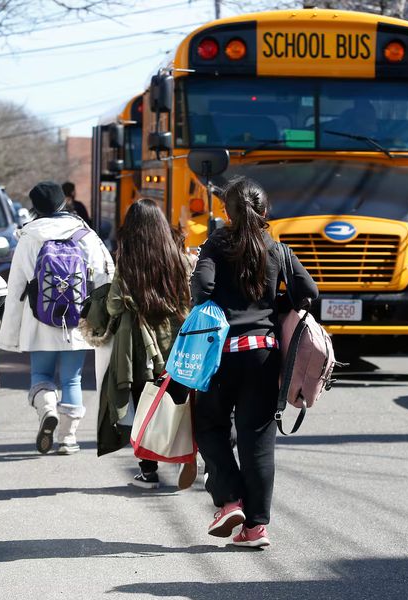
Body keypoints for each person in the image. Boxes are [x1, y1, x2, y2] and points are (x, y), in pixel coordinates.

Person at [191, 177, 318, 548]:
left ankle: (230, 500)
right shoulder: (278, 249)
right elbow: (308, 292)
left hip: (219, 356)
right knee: (258, 441)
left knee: (209, 427)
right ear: (265, 211)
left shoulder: (215, 244)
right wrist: (272, 307)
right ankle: (257, 528)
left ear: (225, 212)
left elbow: (202, 290)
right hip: (263, 354)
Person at [90, 199, 197, 489]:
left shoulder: (128, 263)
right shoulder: (177, 257)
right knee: (178, 401)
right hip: (176, 343)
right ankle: (183, 457)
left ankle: (149, 471)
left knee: (146, 405)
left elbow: (113, 307)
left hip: (137, 348)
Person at [0, 181, 114, 455]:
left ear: (35, 207)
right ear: (64, 203)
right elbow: (105, 275)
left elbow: (16, 286)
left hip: (38, 319)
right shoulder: (84, 235)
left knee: (41, 374)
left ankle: (47, 409)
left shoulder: (28, 236)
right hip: (77, 319)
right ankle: (68, 438)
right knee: (72, 379)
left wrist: (10, 331)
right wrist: (102, 317)